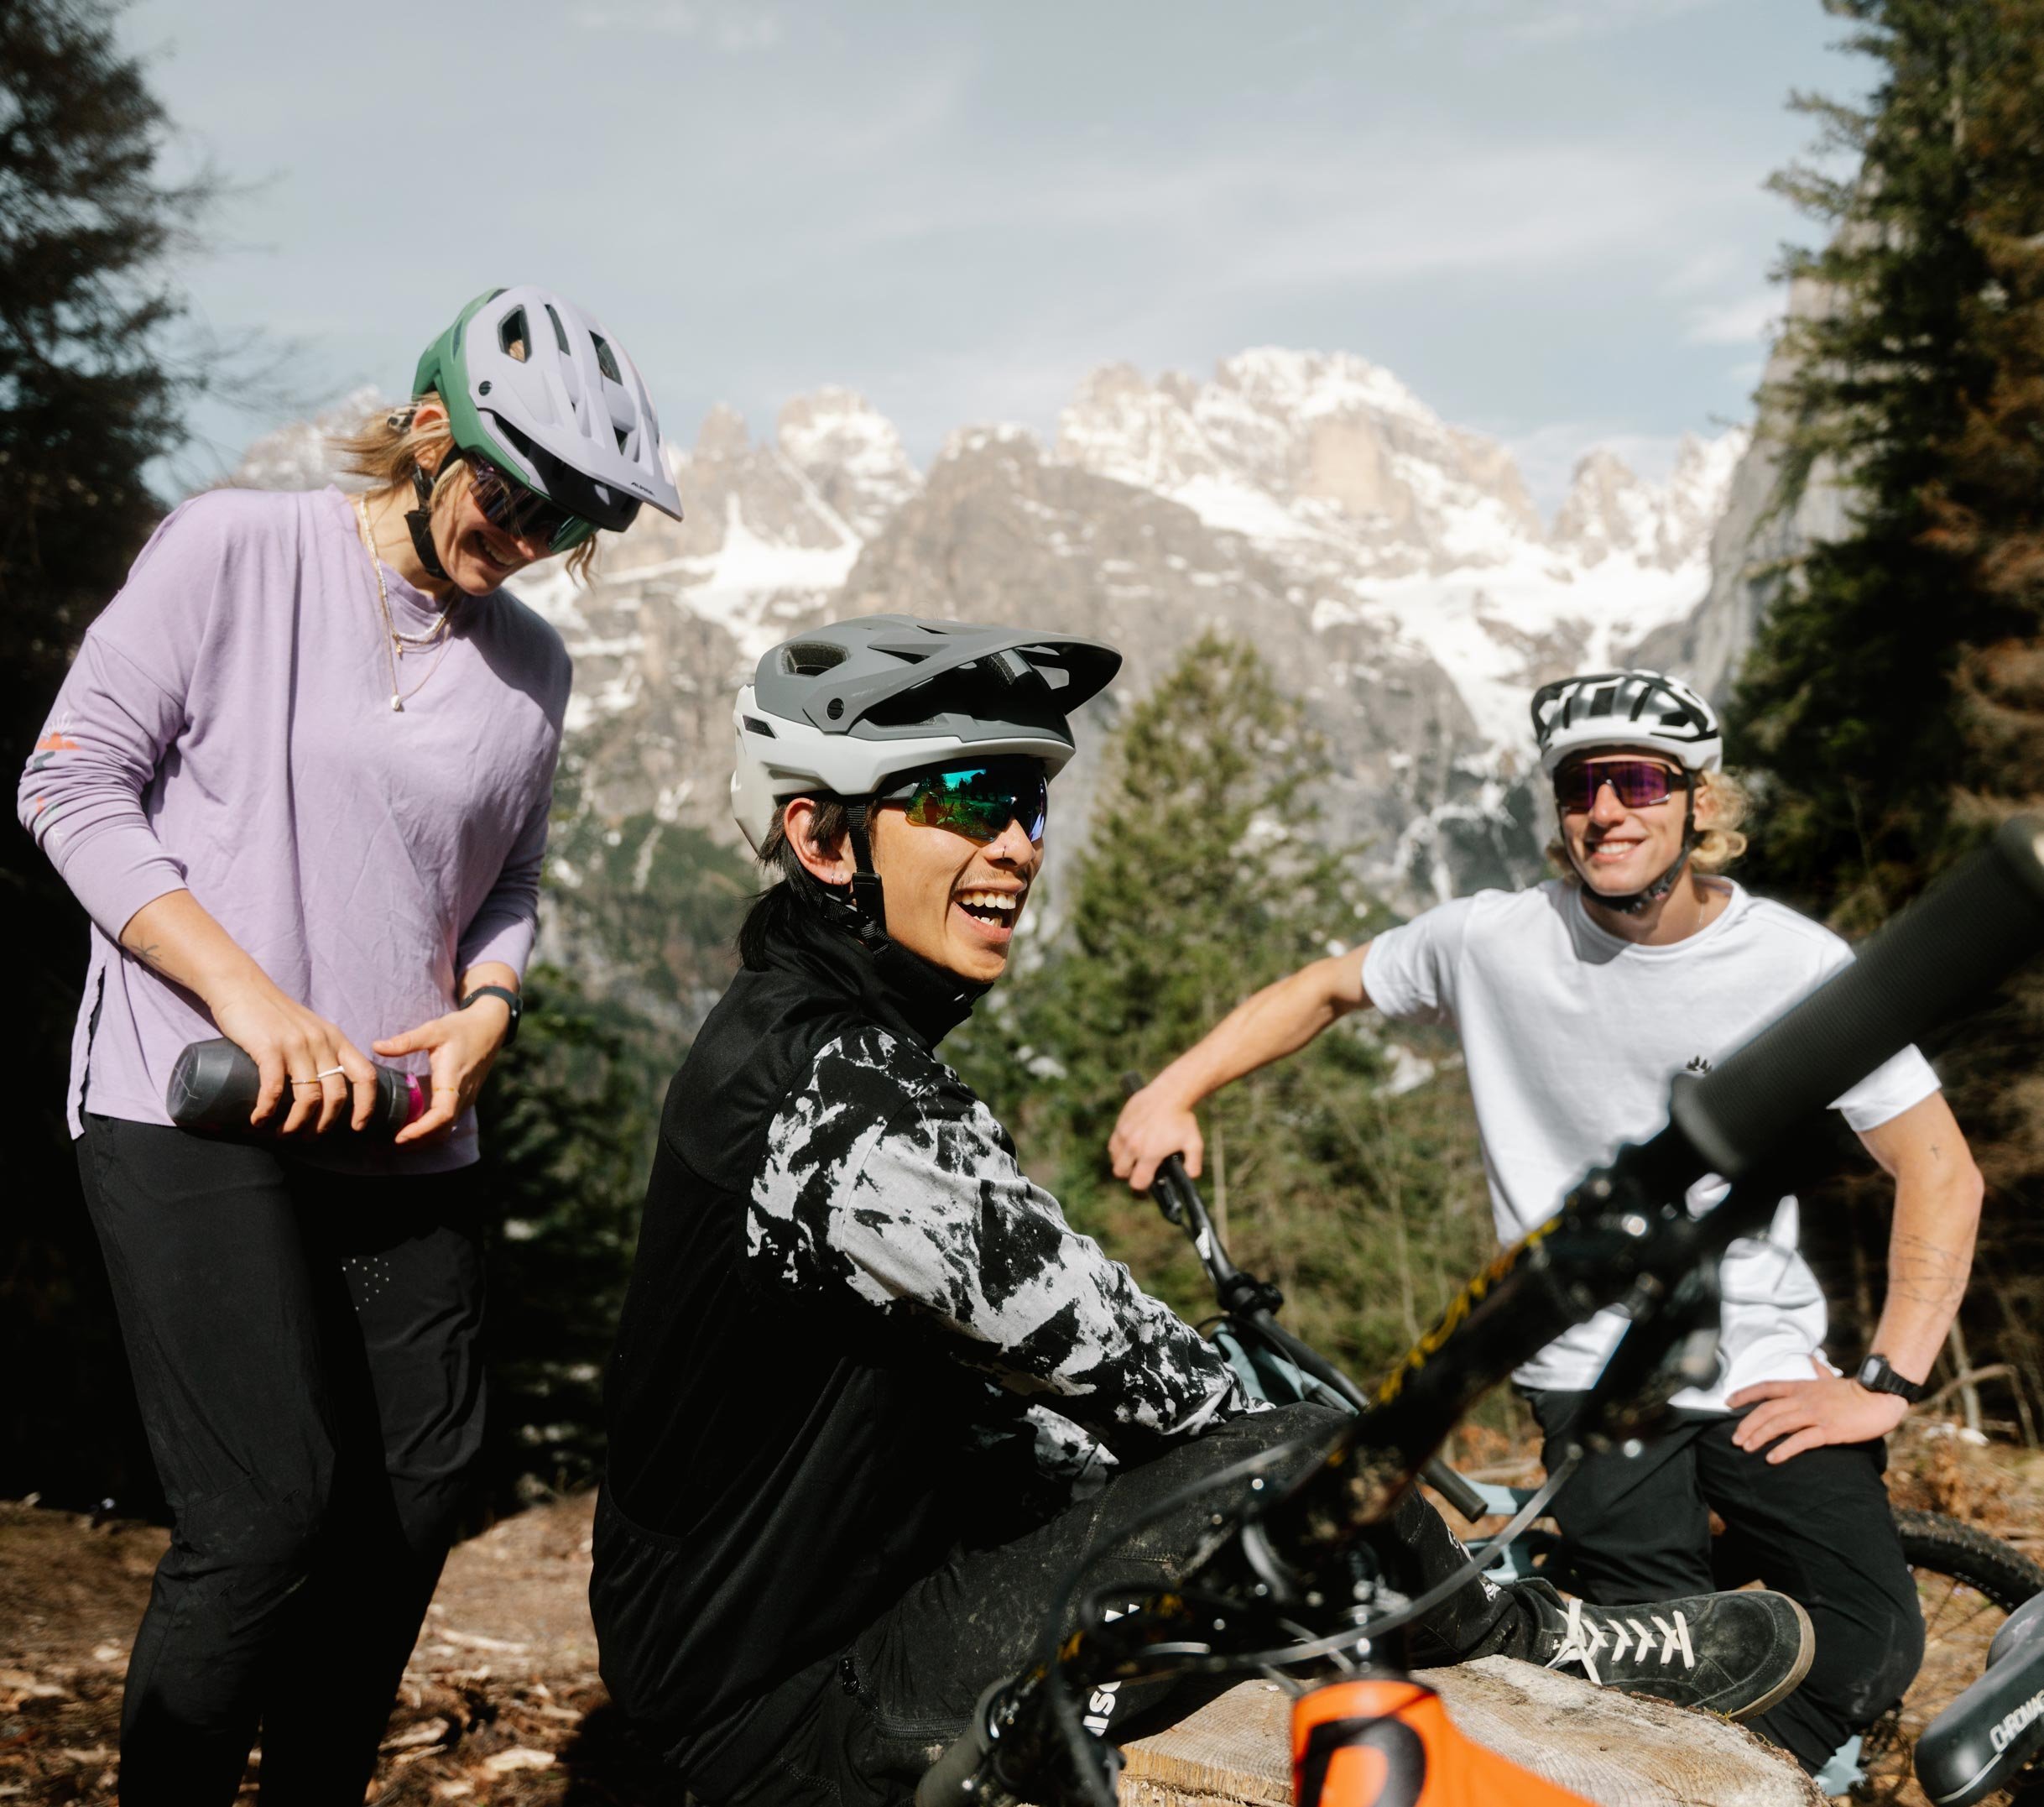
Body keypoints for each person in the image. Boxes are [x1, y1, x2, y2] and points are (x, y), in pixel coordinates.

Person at [592, 625, 1817, 1807]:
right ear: (820, 836)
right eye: (970, 798)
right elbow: (1142, 1374)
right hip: (792, 1700)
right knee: (1290, 1454)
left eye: (1031, 805)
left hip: (781, 1632)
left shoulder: (802, 1033)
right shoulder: (842, 1098)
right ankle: (1534, 1641)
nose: (1018, 844)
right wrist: (1316, 1470)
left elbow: (969, 1402)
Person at [17, 285, 683, 1804]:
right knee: (267, 1509)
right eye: (516, 492)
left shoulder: (533, 670)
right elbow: (69, 786)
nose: (528, 535)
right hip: (193, 1098)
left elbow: (506, 880)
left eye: (576, 518)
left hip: (398, 1116)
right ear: (431, 429)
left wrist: (491, 1008)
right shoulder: (236, 550)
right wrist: (247, 997)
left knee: (423, 1482)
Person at [1112, 666, 1986, 1778]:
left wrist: (1887, 1382)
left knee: (1871, 1639)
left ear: (1697, 804)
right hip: (1589, 1372)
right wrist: (1172, 1090)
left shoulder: (1796, 965)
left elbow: (1941, 1169)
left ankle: (1738, 1787)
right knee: (1660, 1671)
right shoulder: (1495, 939)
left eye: (1636, 780)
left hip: (1760, 1358)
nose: (1606, 809)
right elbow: (1329, 987)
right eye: (1581, 785)